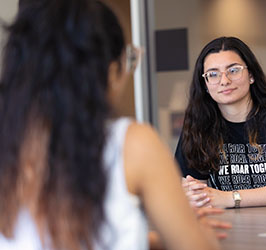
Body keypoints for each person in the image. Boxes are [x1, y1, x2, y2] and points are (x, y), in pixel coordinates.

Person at [0, 1, 229, 250]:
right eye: (129, 60)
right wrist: (200, 235)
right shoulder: (133, 143)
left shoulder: (10, 144)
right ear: (110, 70)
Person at [175, 37, 266, 209]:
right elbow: (194, 191)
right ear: (205, 85)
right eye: (213, 74)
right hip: (231, 226)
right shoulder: (198, 127)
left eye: (234, 70)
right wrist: (191, 194)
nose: (224, 81)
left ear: (251, 75)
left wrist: (229, 198)